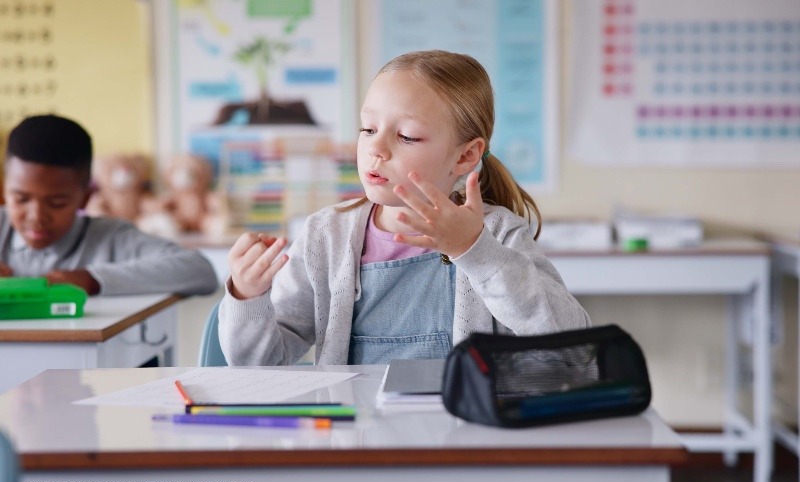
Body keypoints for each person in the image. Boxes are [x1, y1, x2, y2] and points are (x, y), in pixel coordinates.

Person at [219, 50, 590, 366]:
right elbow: (259, 362)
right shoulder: (325, 236)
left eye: (407, 136)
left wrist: (474, 250)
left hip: (460, 437)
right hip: (357, 440)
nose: (376, 148)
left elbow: (574, 347)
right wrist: (247, 296)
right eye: (367, 129)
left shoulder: (496, 234)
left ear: (465, 155)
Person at [0, 114, 218, 296]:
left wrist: (92, 279)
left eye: (57, 203)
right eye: (21, 199)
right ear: (4, 189)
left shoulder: (111, 238)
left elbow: (200, 270)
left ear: (86, 198)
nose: (36, 216)